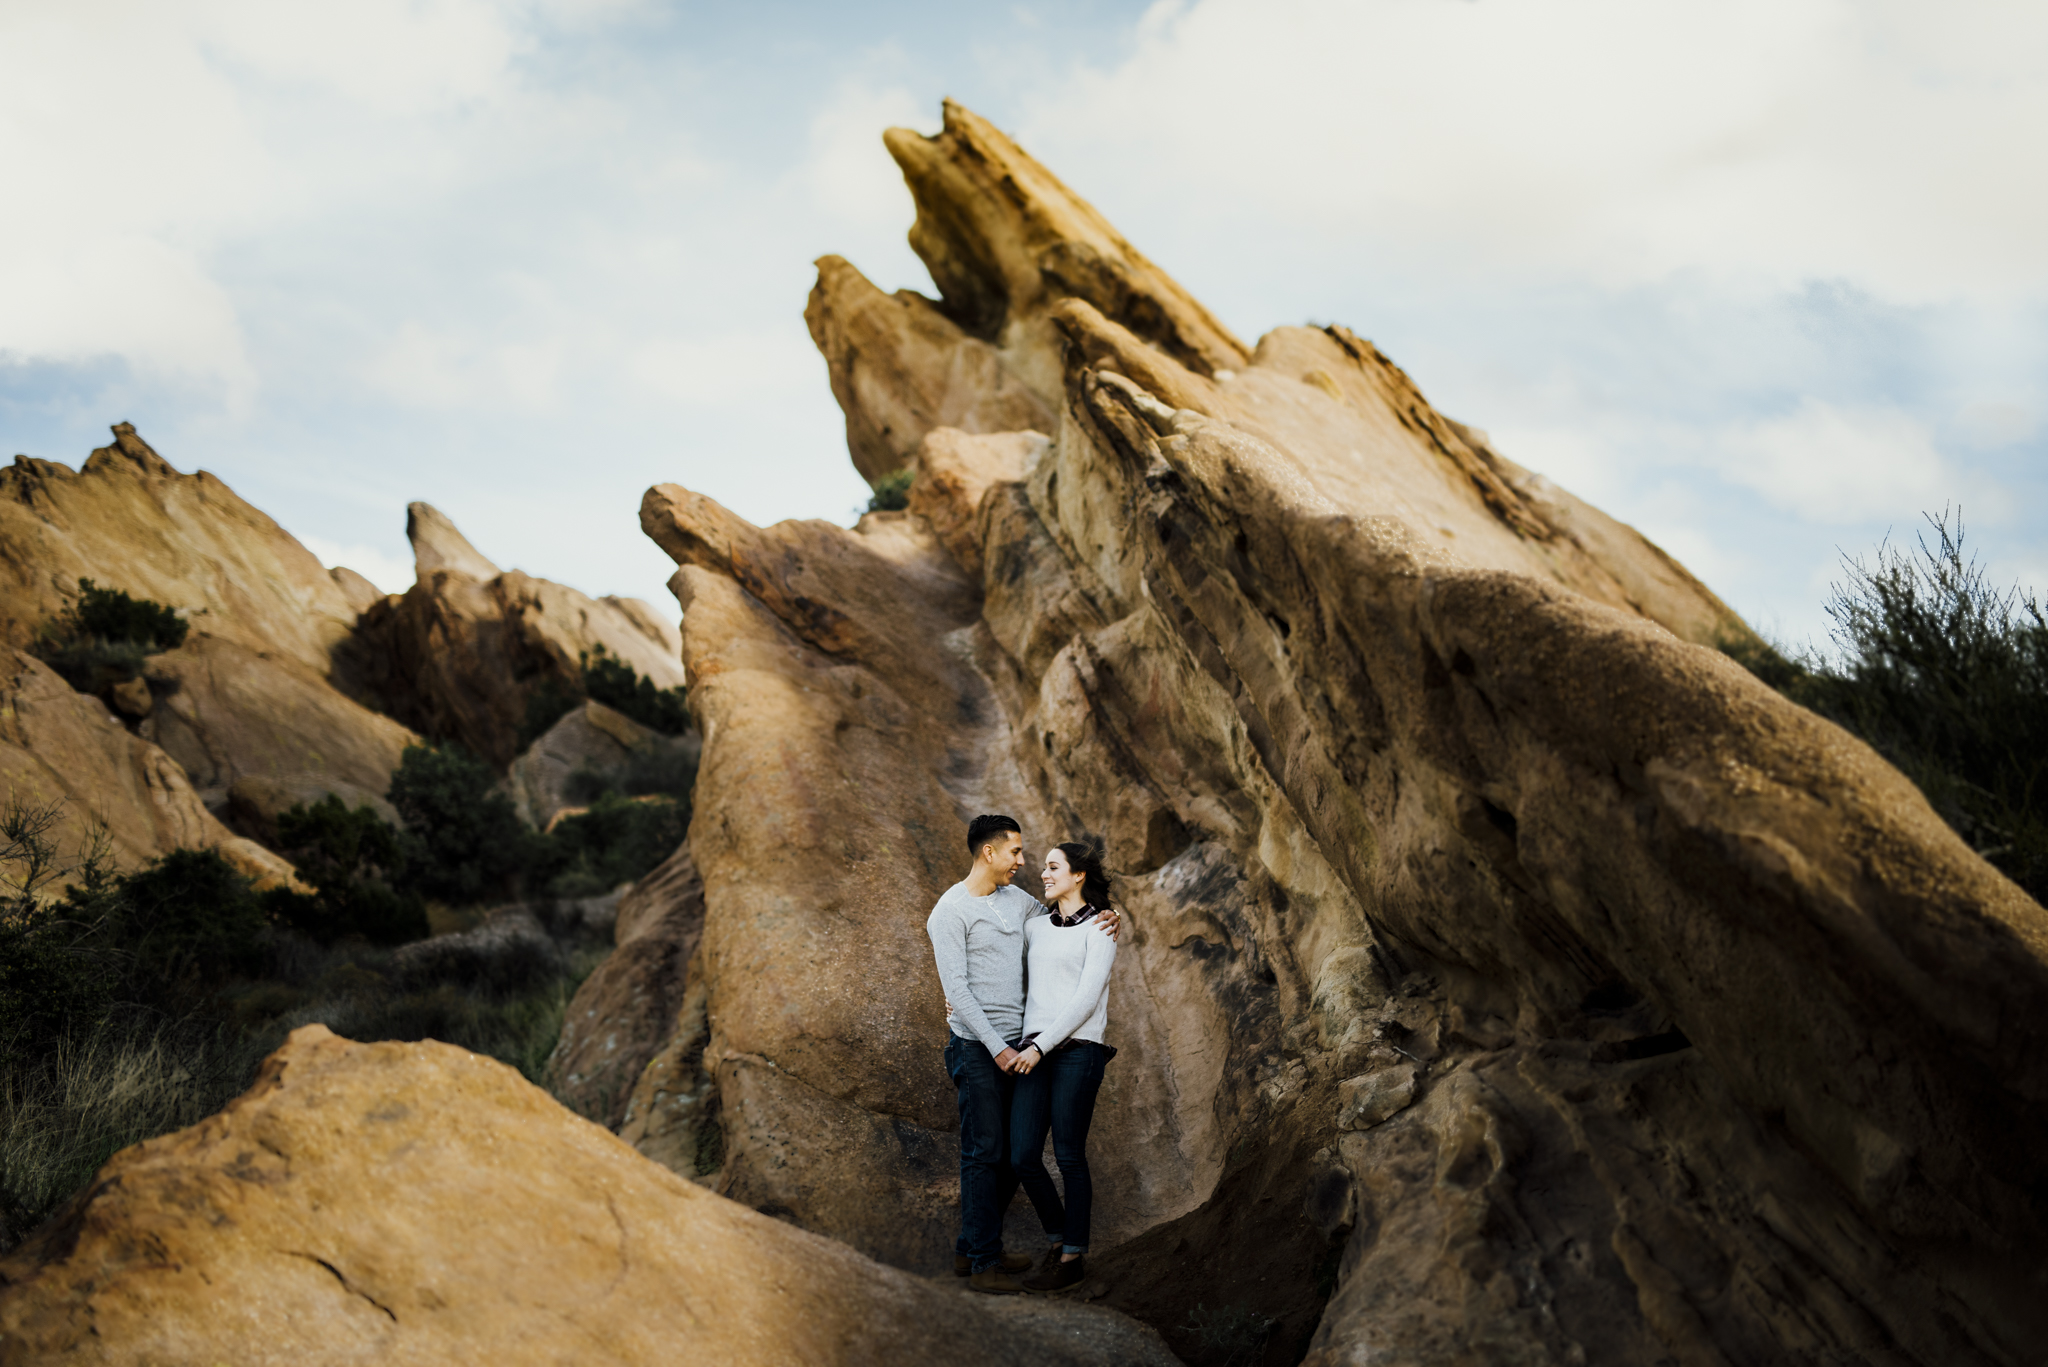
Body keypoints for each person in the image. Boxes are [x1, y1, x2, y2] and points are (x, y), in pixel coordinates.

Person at [926, 814, 1117, 1295]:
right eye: (1016, 852)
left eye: (1038, 859)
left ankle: (977, 1248)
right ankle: (984, 1258)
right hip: (983, 1048)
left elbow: (1071, 922)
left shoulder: (1023, 905)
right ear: (988, 852)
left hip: (1028, 1048)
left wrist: (1109, 913)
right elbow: (960, 990)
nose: (1026, 863)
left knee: (1016, 1156)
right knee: (989, 1153)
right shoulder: (948, 912)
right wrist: (994, 1043)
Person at [1008, 840, 1118, 1292]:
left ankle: (1072, 1256)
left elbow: (1085, 1000)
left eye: (1054, 867)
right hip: (1035, 1048)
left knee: (1069, 1154)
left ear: (1079, 876)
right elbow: (1007, 975)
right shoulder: (1036, 927)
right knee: (1023, 1155)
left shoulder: (1102, 929)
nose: (1044, 874)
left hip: (1077, 1050)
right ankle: (1058, 1240)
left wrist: (1040, 1048)